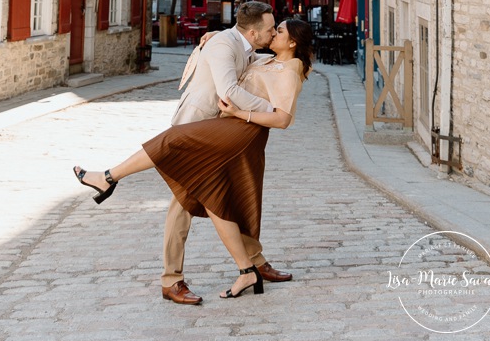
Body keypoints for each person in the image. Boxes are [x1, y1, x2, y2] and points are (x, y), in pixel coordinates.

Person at [73, 16, 313, 301]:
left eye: (279, 30)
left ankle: (109, 179)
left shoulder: (288, 70)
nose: (273, 34)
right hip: (224, 126)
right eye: (272, 28)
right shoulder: (264, 58)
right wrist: (219, 36)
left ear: (292, 42)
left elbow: (282, 118)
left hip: (238, 130)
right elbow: (241, 45)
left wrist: (241, 113)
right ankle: (248, 267)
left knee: (175, 153)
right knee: (213, 196)